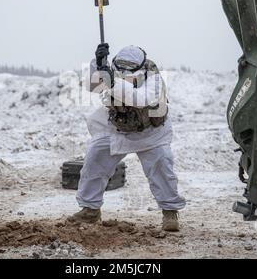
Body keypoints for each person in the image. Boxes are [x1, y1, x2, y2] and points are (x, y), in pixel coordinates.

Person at [67, 44, 185, 231]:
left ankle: (169, 212)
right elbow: (92, 86)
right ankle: (90, 210)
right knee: (94, 161)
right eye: (119, 67)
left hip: (151, 133)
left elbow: (140, 98)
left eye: (128, 68)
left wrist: (113, 82)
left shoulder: (153, 78)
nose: (123, 71)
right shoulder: (112, 70)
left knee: (162, 169)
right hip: (117, 129)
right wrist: (97, 64)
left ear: (140, 67)